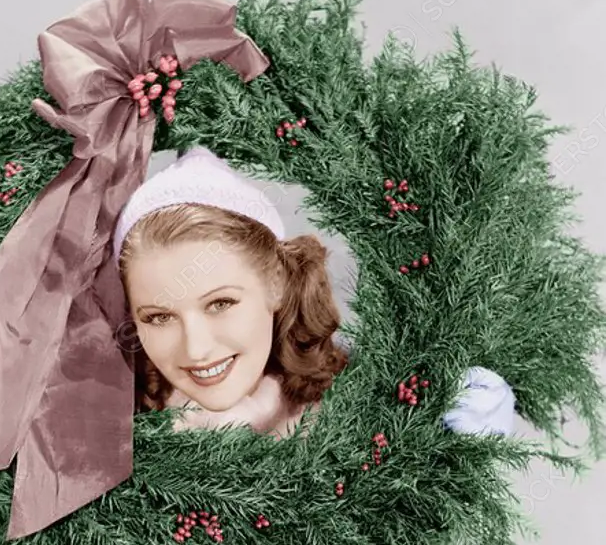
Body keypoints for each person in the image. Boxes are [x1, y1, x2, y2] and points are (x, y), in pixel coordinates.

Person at [114, 146, 516, 441]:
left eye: (221, 303)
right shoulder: (104, 438)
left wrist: (446, 431)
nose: (197, 349)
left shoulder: (364, 403)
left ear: (275, 283)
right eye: (158, 317)